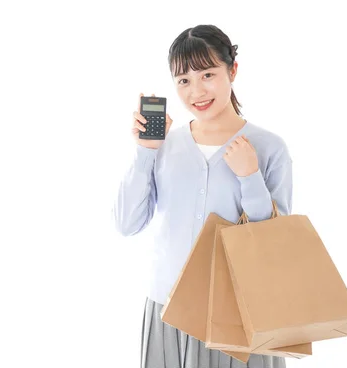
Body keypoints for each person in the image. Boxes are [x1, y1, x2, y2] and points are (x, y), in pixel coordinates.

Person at [112, 24, 292, 368]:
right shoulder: (164, 146)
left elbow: (274, 244)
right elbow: (126, 223)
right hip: (168, 307)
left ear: (232, 71)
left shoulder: (269, 148)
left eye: (207, 74)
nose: (196, 91)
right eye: (184, 80)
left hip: (239, 313)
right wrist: (146, 152)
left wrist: (249, 176)